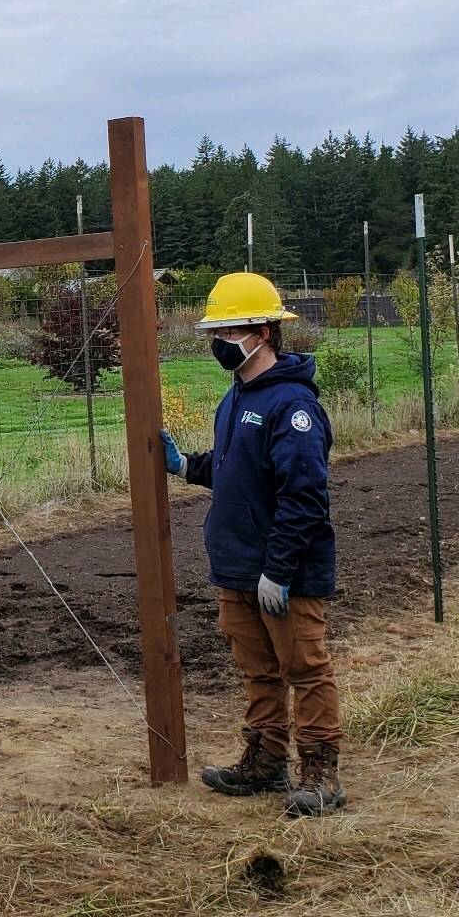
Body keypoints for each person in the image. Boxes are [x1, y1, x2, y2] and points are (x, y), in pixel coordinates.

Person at [161, 272, 345, 817]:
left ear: (263, 332)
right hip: (238, 569)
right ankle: (266, 761)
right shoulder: (236, 397)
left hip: (283, 573)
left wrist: (280, 570)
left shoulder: (293, 407)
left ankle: (321, 771)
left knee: (305, 668)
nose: (217, 341)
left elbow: (304, 496)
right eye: (214, 330)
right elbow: (237, 474)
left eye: (228, 330)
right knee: (258, 671)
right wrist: (186, 466)